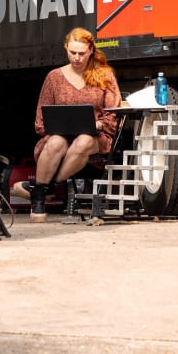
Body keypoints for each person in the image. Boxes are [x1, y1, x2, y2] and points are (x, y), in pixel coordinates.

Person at [27, 27, 124, 218]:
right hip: (61, 135)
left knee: (84, 140)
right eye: (72, 53)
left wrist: (98, 124)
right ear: (66, 49)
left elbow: (114, 114)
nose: (77, 58)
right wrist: (58, 126)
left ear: (90, 51)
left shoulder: (105, 75)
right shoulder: (54, 77)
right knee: (55, 142)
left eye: (81, 53)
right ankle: (43, 194)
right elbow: (40, 120)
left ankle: (41, 191)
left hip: (95, 136)